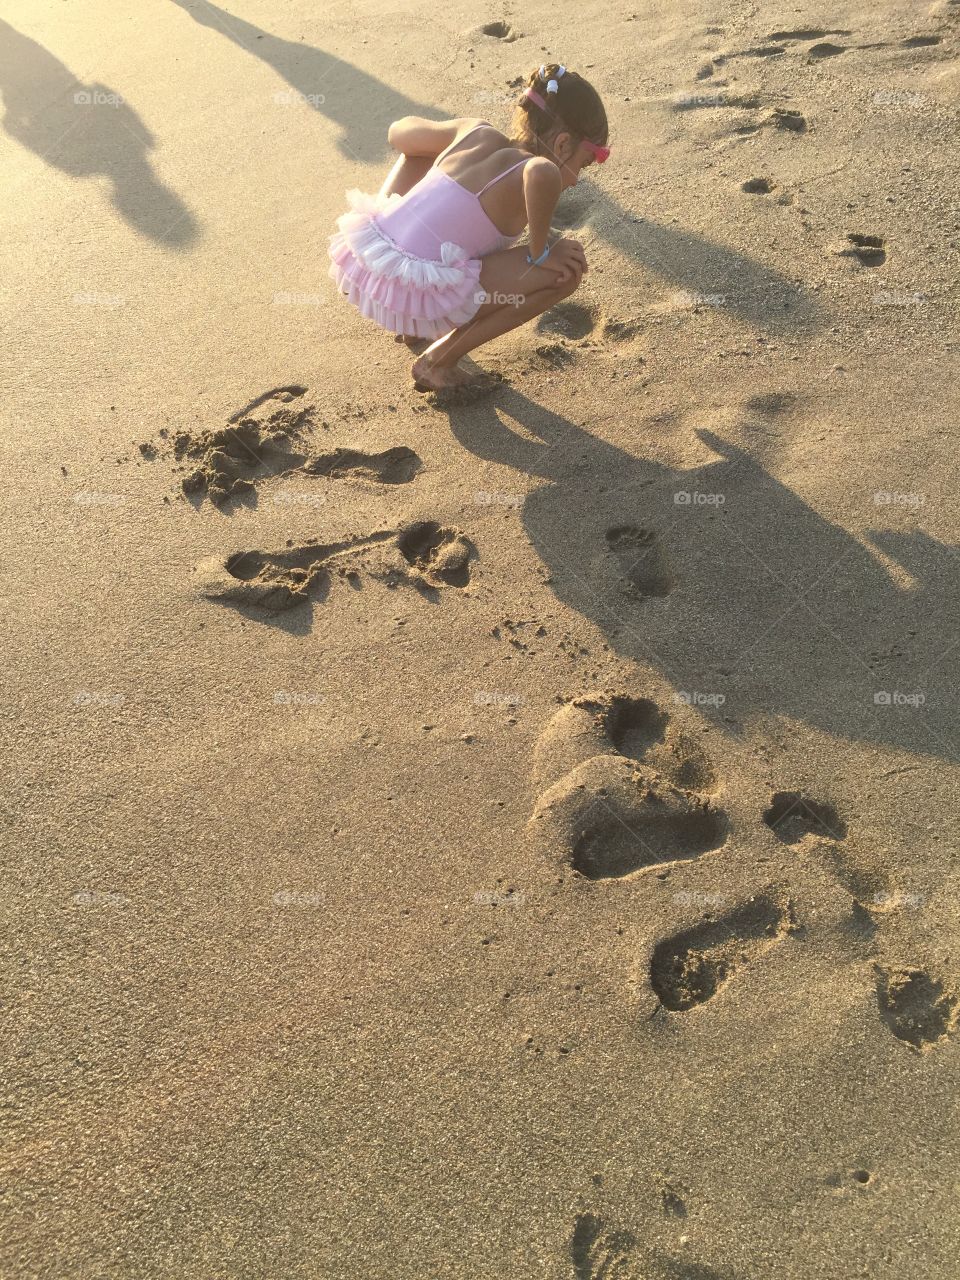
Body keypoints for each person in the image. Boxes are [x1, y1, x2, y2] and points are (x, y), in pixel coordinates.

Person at [327, 63, 610, 393]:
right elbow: (541, 173)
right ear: (562, 145)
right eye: (583, 165)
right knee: (566, 272)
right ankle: (438, 362)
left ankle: (416, 322)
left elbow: (398, 133)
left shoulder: (476, 132)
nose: (576, 181)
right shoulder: (540, 168)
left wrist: (445, 151)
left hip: (368, 268)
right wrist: (541, 251)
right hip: (416, 293)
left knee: (419, 153)